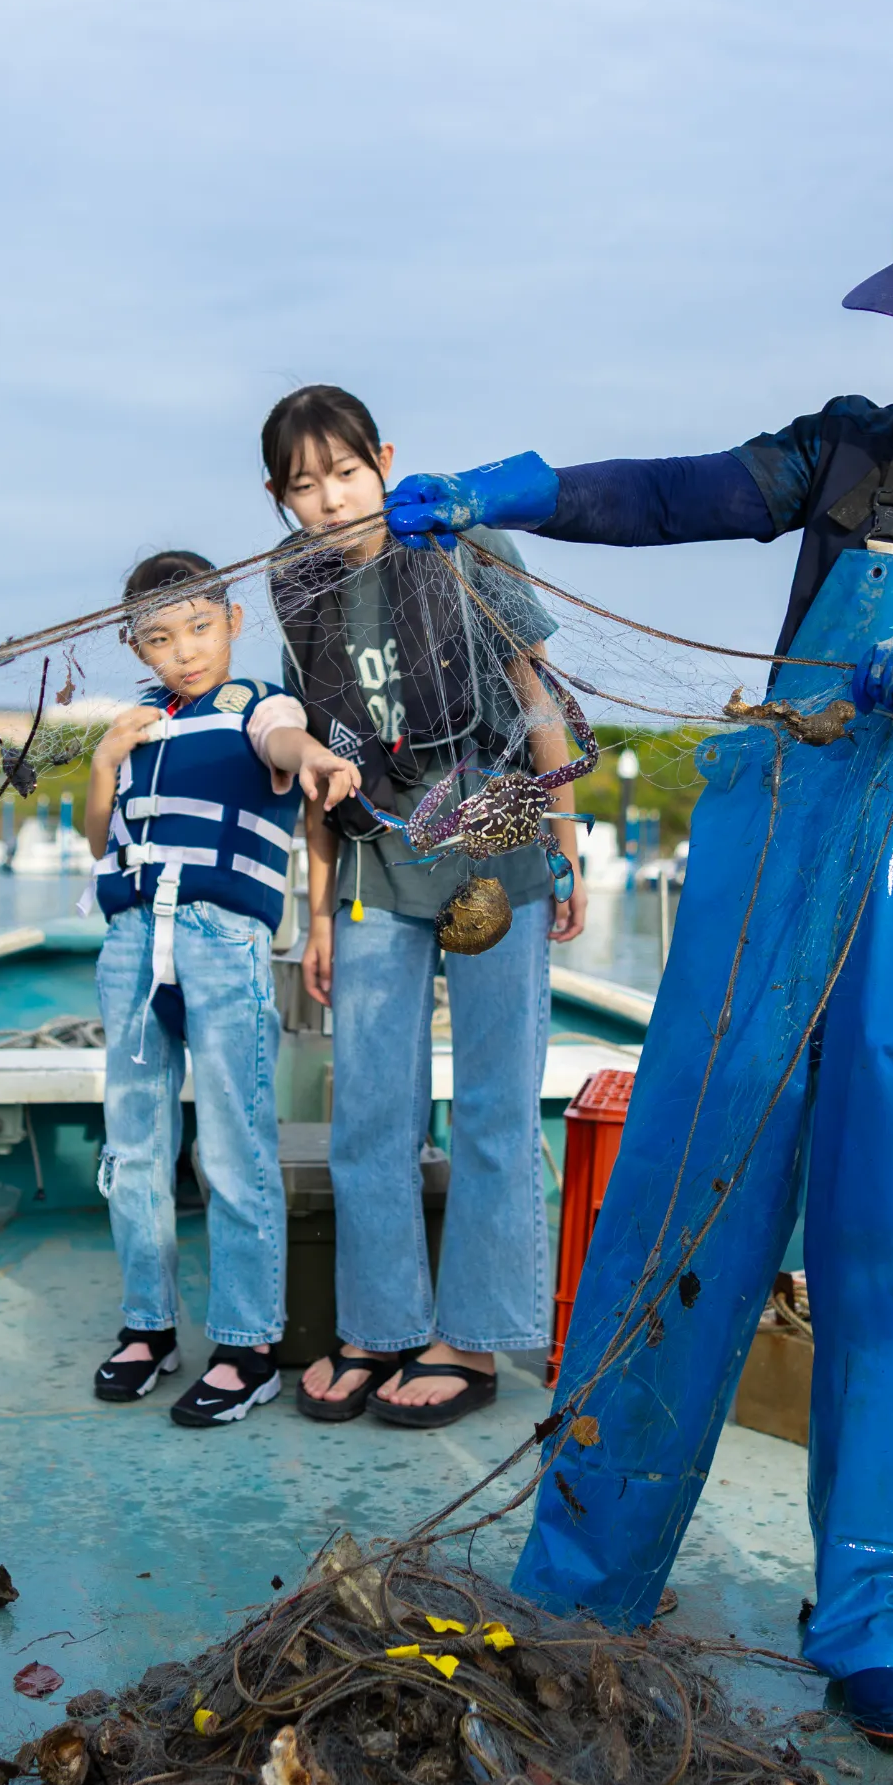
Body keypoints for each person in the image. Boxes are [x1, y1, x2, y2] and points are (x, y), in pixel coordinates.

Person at [382, 157, 893, 1743]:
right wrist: (517, 493)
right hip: (774, 895)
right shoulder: (851, 452)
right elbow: (682, 493)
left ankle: (875, 1621)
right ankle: (583, 1574)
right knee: (675, 1209)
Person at [260, 386, 588, 1429]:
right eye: (305, 487)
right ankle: (378, 1325)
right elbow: (317, 754)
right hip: (375, 862)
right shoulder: (297, 591)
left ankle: (475, 1340)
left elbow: (538, 692)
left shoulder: (466, 543)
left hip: (496, 843)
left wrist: (568, 845)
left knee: (495, 1101)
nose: (331, 500)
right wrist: (314, 913)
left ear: (384, 460)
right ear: (280, 498)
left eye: (348, 474)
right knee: (366, 1109)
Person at [84, 550, 360, 1427]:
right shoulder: (139, 723)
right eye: (160, 639)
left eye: (200, 628)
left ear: (233, 622)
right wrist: (101, 764)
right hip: (131, 941)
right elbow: (99, 839)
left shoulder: (258, 706)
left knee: (233, 1146)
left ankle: (248, 1345)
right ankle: (147, 1326)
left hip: (219, 941)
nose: (185, 651)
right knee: (133, 1144)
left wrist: (313, 756)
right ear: (137, 645)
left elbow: (284, 742)